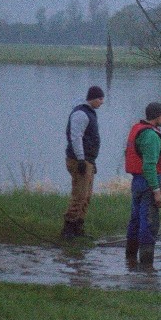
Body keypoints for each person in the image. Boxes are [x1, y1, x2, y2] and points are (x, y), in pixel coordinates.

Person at [124, 102, 161, 265]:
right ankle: (147, 264)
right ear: (157, 116)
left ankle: (130, 259)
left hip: (137, 182)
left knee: (135, 220)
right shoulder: (151, 136)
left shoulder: (139, 130)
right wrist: (157, 191)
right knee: (148, 222)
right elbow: (149, 166)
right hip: (148, 182)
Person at [61, 86, 104, 239]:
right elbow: (76, 137)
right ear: (92, 98)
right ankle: (68, 229)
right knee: (79, 195)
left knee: (86, 196)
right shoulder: (81, 113)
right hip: (79, 160)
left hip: (88, 160)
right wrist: (80, 159)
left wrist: (92, 161)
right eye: (100, 98)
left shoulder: (90, 113)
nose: (102, 102)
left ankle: (78, 227)